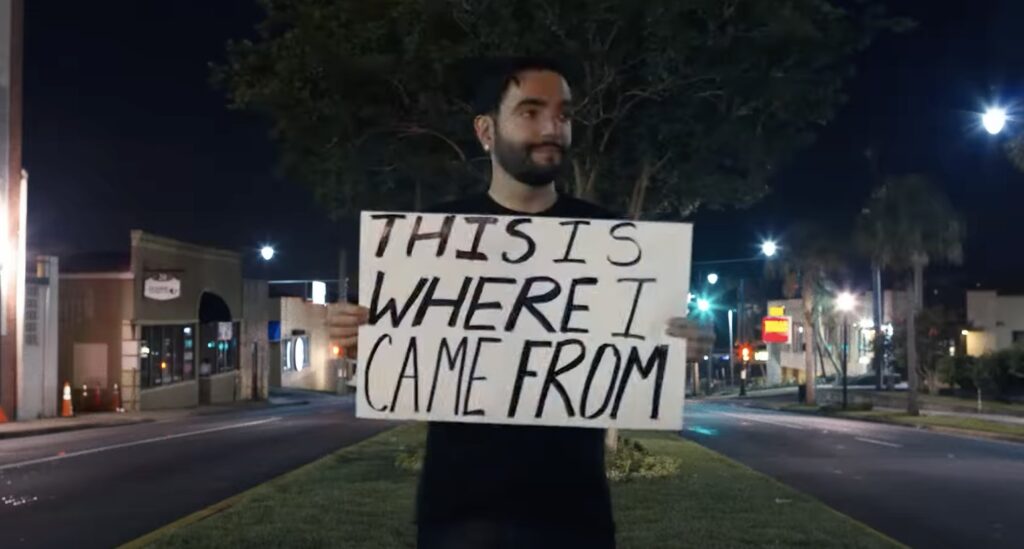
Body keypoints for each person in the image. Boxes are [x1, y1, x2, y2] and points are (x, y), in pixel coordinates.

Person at [336, 56, 702, 549]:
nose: (553, 126)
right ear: (486, 131)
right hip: (458, 516)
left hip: (575, 517)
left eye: (564, 113)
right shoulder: (429, 239)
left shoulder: (613, 241)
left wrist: (681, 345)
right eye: (531, 112)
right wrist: (356, 334)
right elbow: (397, 351)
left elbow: (637, 355)